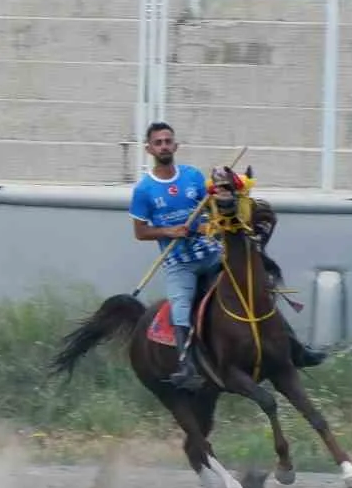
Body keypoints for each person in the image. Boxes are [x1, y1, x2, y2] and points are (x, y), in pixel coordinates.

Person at [130, 121, 324, 389]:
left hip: (211, 254)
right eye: (158, 142)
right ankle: (187, 366)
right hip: (180, 264)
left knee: (258, 287)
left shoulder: (193, 177)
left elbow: (209, 210)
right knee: (181, 307)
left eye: (168, 141)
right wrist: (170, 231)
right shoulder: (143, 190)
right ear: (149, 149)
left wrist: (207, 220)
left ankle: (296, 348)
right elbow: (140, 232)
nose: (164, 146)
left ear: (176, 145)